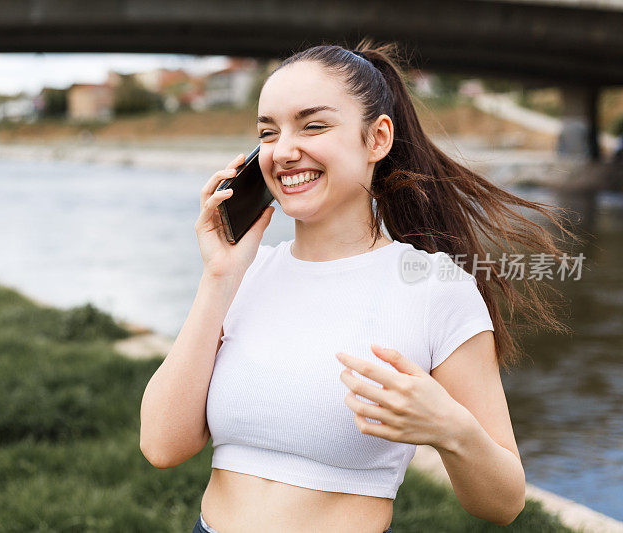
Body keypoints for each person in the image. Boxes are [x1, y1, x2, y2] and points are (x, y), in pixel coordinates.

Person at [140, 40, 581, 532]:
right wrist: (218, 278)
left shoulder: (435, 288)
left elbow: (503, 504)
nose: (284, 151)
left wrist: (449, 429)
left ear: (377, 139)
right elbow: (161, 445)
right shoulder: (242, 275)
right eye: (268, 132)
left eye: (314, 125)